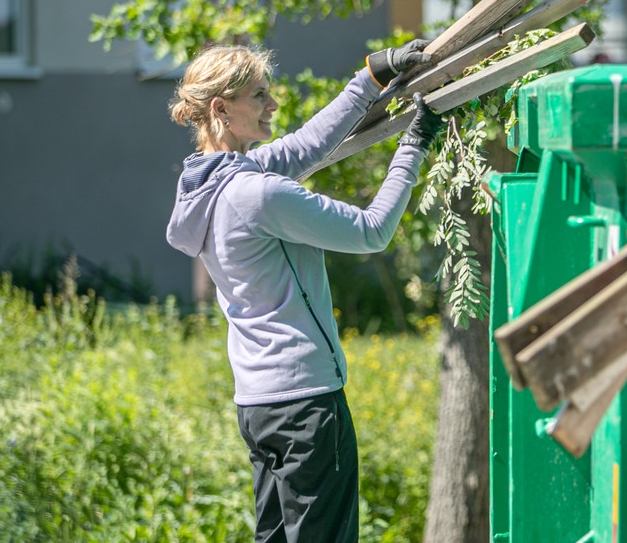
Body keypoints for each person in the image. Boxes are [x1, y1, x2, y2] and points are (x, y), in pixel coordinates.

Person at [165, 40, 442, 542]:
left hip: (258, 405)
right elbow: (371, 231)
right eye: (260, 96)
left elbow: (307, 146)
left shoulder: (207, 187)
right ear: (221, 109)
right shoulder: (259, 193)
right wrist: (413, 146)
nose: (273, 105)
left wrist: (372, 77)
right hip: (307, 406)